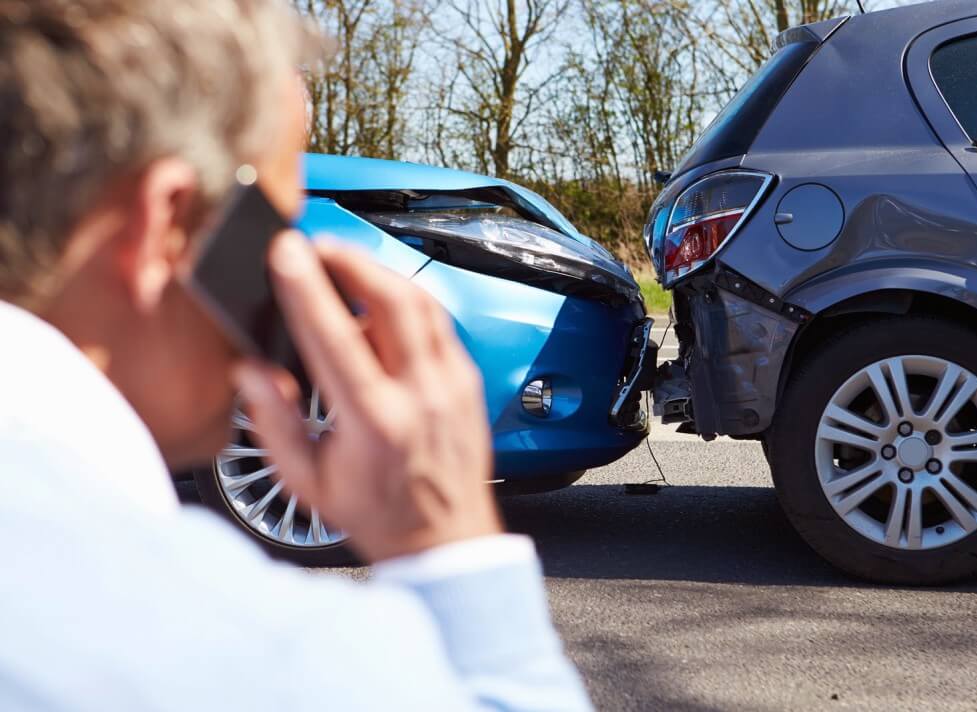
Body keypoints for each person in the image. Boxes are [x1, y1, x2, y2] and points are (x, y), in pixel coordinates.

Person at [0, 1, 592, 709]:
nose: (287, 280)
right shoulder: (231, 650)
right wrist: (448, 539)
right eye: (272, 231)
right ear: (167, 228)